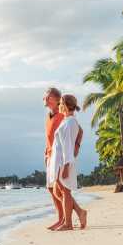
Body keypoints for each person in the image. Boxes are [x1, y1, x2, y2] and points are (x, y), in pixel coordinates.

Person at [43, 88, 83, 230]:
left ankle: (67, 221)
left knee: (63, 190)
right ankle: (71, 217)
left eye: (48, 97)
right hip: (55, 157)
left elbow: (68, 143)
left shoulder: (68, 120)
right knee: (56, 190)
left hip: (62, 159)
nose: (45, 100)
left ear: (62, 104)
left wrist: (68, 161)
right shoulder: (62, 119)